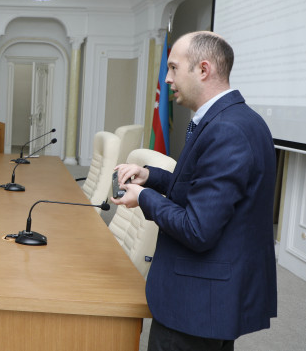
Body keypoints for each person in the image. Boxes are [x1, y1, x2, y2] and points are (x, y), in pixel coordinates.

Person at [112, 31, 277, 350]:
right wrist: (151, 176)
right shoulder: (232, 118)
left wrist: (143, 197)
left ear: (203, 70)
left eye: (173, 68)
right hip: (210, 296)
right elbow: (200, 186)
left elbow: (198, 229)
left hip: (197, 303)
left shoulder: (227, 130)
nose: (168, 79)